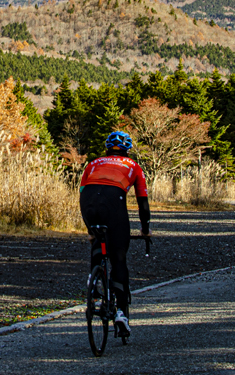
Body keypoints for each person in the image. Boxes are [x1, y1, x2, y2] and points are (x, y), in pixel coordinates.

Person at [79, 130, 150, 337]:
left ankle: (93, 288)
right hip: (114, 203)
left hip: (89, 203)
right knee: (118, 258)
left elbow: (83, 192)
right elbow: (142, 202)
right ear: (127, 149)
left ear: (107, 148)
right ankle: (120, 312)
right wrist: (145, 229)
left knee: (97, 240)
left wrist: (89, 229)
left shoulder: (92, 163)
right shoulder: (134, 166)